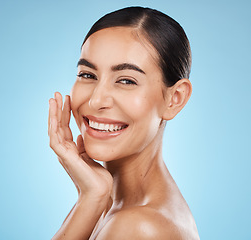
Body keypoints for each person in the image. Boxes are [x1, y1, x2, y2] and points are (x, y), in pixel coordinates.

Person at [48, 6, 200, 240]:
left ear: (174, 99)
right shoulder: (113, 205)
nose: (96, 100)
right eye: (87, 75)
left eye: (126, 80)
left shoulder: (138, 227)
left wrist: (91, 200)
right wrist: (90, 198)